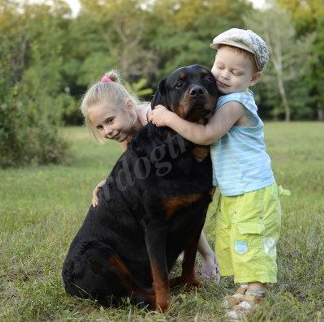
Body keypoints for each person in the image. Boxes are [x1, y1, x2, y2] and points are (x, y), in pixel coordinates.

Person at [150, 28, 289, 318]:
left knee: (251, 239)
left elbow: (206, 135)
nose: (225, 75)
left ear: (253, 79)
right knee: (237, 237)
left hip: (253, 189)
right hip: (236, 188)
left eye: (236, 72)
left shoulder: (236, 104)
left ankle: (256, 292)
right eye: (220, 67)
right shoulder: (222, 100)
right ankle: (244, 288)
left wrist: (168, 117)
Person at [80, 70, 220, 281]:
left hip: (184, 171)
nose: (107, 130)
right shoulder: (125, 136)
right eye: (100, 126)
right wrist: (110, 183)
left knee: (186, 208)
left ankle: (208, 256)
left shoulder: (153, 117)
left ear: (128, 107)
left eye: (109, 121)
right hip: (163, 179)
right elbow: (135, 170)